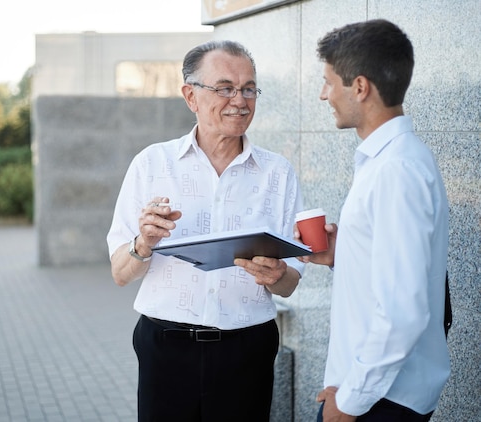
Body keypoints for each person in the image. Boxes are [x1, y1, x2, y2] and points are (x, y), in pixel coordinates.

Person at [106, 40, 305, 422]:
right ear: (190, 96)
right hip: (165, 348)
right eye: (225, 87)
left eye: (249, 88)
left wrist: (278, 275)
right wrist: (144, 244)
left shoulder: (277, 173)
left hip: (247, 348)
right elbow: (119, 272)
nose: (240, 100)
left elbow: (291, 282)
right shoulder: (152, 164)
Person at [297, 19, 450, 421]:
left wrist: (348, 404)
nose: (323, 94)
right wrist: (341, 252)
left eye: (329, 82)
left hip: (379, 402)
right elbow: (396, 273)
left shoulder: (396, 170)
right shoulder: (388, 161)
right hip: (373, 394)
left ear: (360, 87)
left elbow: (403, 311)